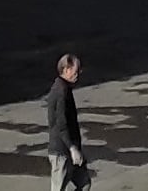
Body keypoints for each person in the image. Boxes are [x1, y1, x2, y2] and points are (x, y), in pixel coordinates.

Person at [44, 51, 94, 191]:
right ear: (66, 70)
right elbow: (62, 124)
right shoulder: (61, 92)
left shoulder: (64, 88)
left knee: (85, 184)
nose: (79, 73)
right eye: (76, 70)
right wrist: (72, 149)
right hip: (61, 152)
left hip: (69, 150)